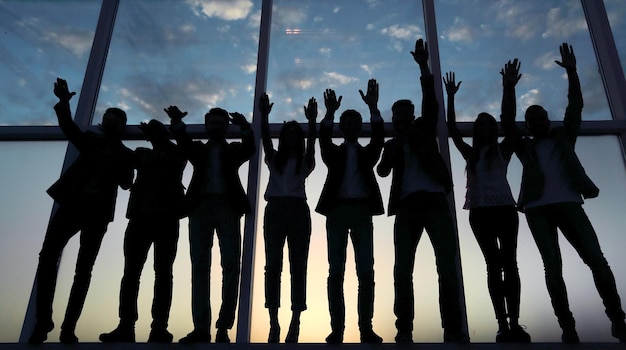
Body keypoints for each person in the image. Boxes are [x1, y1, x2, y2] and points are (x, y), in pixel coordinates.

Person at [502, 43, 626, 344]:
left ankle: (617, 319)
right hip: (538, 209)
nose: (538, 121)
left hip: (571, 204)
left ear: (548, 119)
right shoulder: (526, 146)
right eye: (532, 119)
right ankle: (567, 326)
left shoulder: (563, 137)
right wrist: (508, 89)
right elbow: (507, 121)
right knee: (553, 268)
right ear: (528, 126)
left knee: (596, 260)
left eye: (542, 116)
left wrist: (572, 72)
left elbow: (575, 106)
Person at [29, 78, 134, 344]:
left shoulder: (123, 154)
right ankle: (44, 321)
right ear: (105, 123)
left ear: (121, 127)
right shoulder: (90, 140)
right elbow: (68, 127)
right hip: (73, 206)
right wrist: (64, 101)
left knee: (83, 269)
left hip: (96, 214)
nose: (111, 124)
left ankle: (67, 328)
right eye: (109, 120)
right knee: (49, 257)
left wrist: (121, 161)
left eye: (116, 122)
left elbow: (126, 183)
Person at [377, 38, 467, 344]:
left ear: (411, 115)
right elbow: (382, 171)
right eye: (396, 116)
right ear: (393, 119)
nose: (400, 119)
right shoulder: (393, 144)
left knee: (447, 265)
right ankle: (404, 328)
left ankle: (452, 329)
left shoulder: (425, 129)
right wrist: (393, 149)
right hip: (406, 206)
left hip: (433, 201)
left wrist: (424, 67)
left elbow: (431, 102)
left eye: (405, 115)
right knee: (403, 269)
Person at [443, 62, 530, 343]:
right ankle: (503, 325)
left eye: (487, 124)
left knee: (510, 264)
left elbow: (509, 120)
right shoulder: (471, 154)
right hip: (480, 213)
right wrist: (452, 97)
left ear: (492, 129)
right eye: (479, 124)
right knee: (493, 265)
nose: (482, 127)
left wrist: (508, 88)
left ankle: (515, 322)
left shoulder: (503, 149)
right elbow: (452, 130)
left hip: (505, 210)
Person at [167, 105, 254, 344]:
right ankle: (201, 328)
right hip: (200, 208)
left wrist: (245, 127)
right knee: (200, 267)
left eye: (219, 123)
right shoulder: (197, 149)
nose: (215, 127)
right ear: (206, 126)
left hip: (227, 207)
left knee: (231, 265)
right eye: (212, 123)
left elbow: (249, 148)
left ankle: (223, 327)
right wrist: (176, 123)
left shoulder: (233, 150)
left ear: (226, 127)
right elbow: (183, 142)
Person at [99, 118, 187, 343]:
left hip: (166, 219)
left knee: (162, 273)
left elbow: (180, 155)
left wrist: (160, 135)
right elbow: (124, 158)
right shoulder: (142, 154)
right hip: (141, 218)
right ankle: (127, 325)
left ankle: (158, 327)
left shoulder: (175, 153)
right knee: (132, 273)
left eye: (159, 132)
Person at [316, 79, 384, 344]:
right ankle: (338, 329)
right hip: (337, 213)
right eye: (348, 123)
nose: (353, 127)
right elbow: (323, 141)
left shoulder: (367, 155)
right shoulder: (334, 154)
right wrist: (329, 114)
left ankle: (365, 328)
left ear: (359, 127)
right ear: (342, 128)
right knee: (336, 272)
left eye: (357, 123)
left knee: (366, 272)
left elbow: (378, 141)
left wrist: (374, 109)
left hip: (361, 213)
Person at [259, 93, 317, 343]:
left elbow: (313, 144)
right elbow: (265, 142)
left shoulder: (305, 161)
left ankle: (295, 320)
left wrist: (313, 123)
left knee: (298, 266)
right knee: (272, 266)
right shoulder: (275, 159)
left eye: (296, 134)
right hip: (275, 210)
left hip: (297, 210)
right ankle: (274, 322)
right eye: (288, 134)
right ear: (283, 139)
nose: (292, 138)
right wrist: (264, 116)